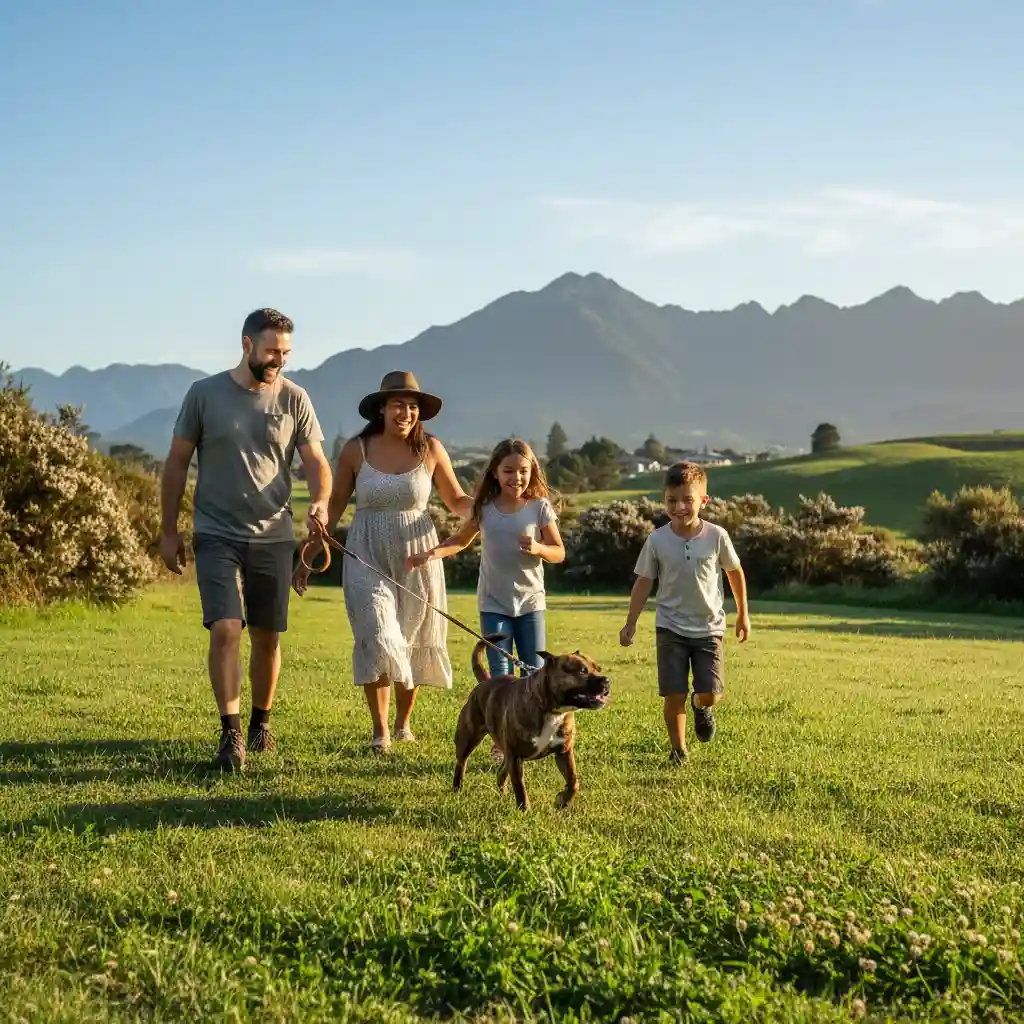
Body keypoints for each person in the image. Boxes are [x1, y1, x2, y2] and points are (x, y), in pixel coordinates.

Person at [160, 308, 332, 773]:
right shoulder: (204, 395)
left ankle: (261, 723)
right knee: (226, 628)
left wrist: (319, 502)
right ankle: (231, 732)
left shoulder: (295, 398)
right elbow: (176, 463)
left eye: (286, 352)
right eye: (272, 349)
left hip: (274, 536)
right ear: (246, 344)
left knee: (267, 637)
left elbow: (317, 462)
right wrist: (168, 529)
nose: (279, 359)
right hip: (215, 532)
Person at [294, 371, 472, 752]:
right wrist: (310, 547)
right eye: (397, 405)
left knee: (412, 637)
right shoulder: (356, 450)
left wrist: (491, 508)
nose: (405, 413)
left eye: (412, 406)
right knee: (377, 632)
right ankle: (380, 732)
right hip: (366, 550)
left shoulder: (432, 449)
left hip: (417, 553)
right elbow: (335, 503)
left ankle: (404, 724)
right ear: (381, 409)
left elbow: (457, 501)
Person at [619, 461, 750, 765]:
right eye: (671, 500)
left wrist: (743, 613)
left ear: (704, 500)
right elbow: (644, 581)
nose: (679, 507)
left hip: (709, 628)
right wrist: (630, 623)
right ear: (664, 500)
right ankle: (678, 751)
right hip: (670, 627)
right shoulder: (657, 540)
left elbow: (734, 572)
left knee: (711, 693)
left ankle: (701, 705)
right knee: (672, 693)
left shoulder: (717, 536)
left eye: (687, 500)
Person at [405, 437, 564, 678]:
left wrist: (539, 549)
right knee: (500, 675)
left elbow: (559, 552)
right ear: (495, 473)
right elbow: (460, 540)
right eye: (508, 471)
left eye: (523, 471)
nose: (517, 478)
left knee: (534, 674)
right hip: (493, 605)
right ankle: (500, 717)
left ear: (532, 472)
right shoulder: (485, 508)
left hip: (530, 603)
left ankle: (528, 717)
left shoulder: (539, 507)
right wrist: (431, 554)